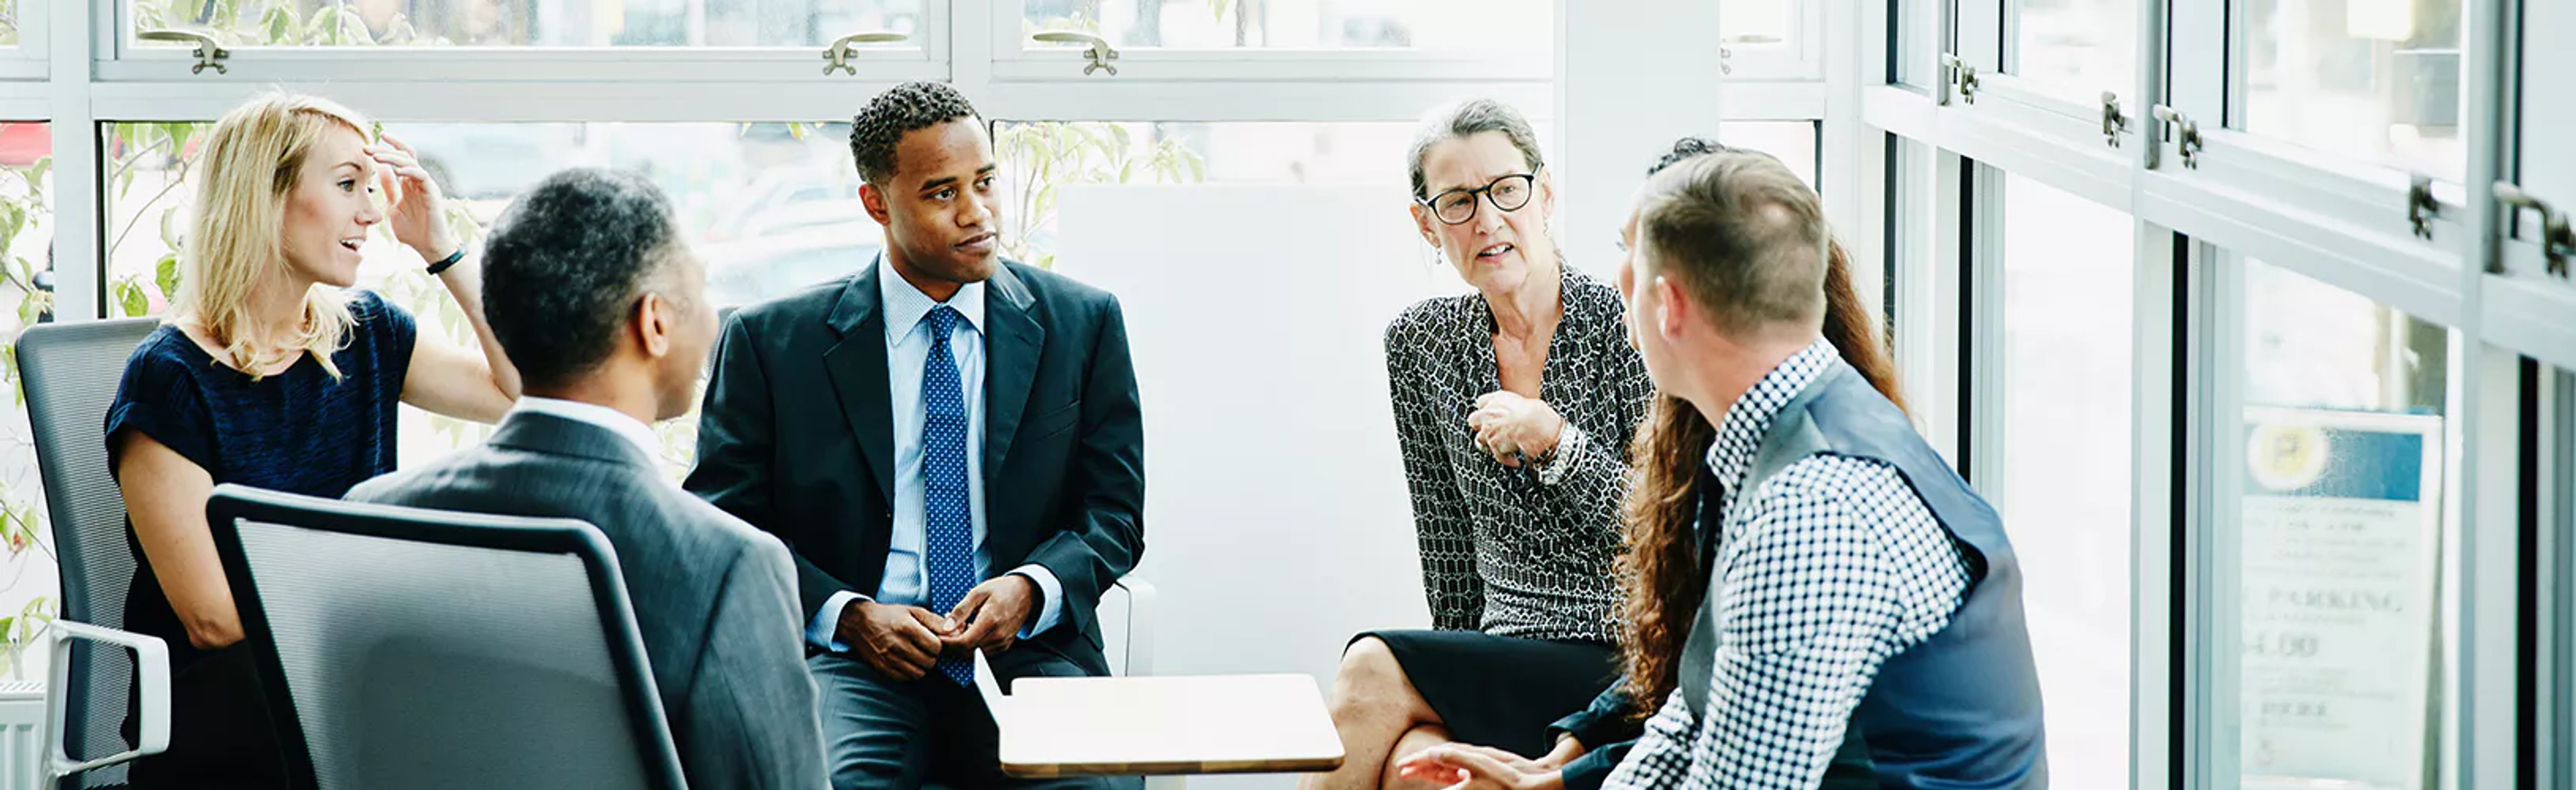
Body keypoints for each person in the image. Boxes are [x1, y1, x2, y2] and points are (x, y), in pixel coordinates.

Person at [1426, 146, 2051, 788]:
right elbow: (1698, 711)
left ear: (1667, 305)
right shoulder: (1794, 425)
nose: (1618, 284)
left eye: (1628, 258)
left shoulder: (1812, 513)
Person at [684, 80, 1146, 790]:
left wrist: (1031, 586)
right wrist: (848, 615)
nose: (978, 213)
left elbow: (1113, 514)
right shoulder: (771, 344)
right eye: (942, 193)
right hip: (855, 662)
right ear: (877, 202)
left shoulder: (1082, 324)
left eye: (985, 183)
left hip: (1033, 654)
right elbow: (725, 525)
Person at [345, 168, 828, 790]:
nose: (712, 323)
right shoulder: (726, 562)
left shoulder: (374, 516)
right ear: (654, 323)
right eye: (703, 295)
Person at [105, 93, 521, 787]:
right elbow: (215, 620)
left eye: (372, 186)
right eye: (348, 184)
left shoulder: (365, 334)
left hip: (348, 681)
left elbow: (517, 393)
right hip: (231, 715)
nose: (374, 209)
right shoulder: (168, 379)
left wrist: (442, 250)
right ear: (266, 198)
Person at [1303, 98, 1653, 790]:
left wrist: (1555, 440)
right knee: (1415, 772)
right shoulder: (1421, 343)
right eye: (1458, 201)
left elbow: (1659, 529)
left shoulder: (1626, 323)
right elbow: (1448, 546)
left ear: (1544, 193)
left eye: (1506, 190)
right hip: (1499, 651)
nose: (1488, 219)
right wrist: (1451, 679)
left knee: (1372, 664)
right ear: (1426, 223)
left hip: (1620, 653)